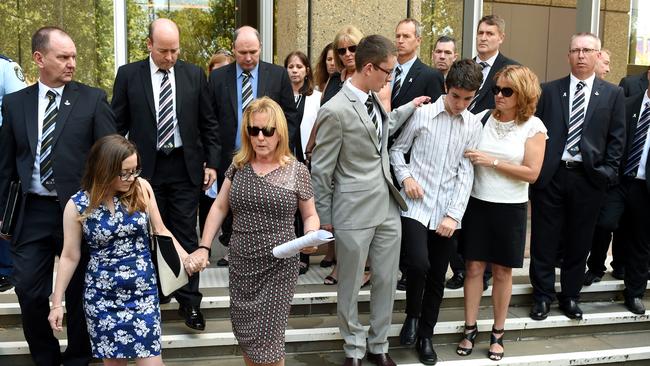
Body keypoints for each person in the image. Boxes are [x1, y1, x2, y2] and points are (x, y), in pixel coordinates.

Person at [311, 34, 430, 366]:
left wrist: (410, 106)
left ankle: (379, 346)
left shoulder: (375, 98)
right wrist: (324, 217)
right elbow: (321, 170)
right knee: (349, 285)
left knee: (387, 279)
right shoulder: (334, 110)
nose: (389, 78)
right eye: (387, 72)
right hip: (351, 211)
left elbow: (383, 129)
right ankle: (353, 349)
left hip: (388, 207)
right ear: (368, 67)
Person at [0, 26, 116, 366]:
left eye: (74, 57)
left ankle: (79, 357)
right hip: (31, 211)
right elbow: (5, 164)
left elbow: (110, 155)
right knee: (28, 290)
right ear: (39, 59)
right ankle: (46, 358)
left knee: (80, 291)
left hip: (79, 211)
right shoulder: (15, 103)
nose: (71, 64)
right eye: (63, 57)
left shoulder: (92, 99)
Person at [48, 135, 198, 365]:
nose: (132, 177)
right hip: (102, 297)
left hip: (143, 292)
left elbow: (161, 230)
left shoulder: (141, 189)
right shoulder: (77, 204)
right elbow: (69, 256)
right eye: (125, 172)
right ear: (104, 170)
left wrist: (187, 258)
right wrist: (57, 303)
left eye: (135, 170)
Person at [111, 18, 221, 331]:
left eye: (174, 50)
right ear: (149, 45)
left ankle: (190, 302)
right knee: (150, 235)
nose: (169, 57)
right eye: (163, 51)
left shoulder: (193, 74)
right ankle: (157, 293)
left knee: (186, 233)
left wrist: (212, 163)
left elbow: (208, 123)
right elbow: (117, 125)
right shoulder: (129, 75)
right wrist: (116, 169)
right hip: (145, 170)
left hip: (185, 167)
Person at [195, 97, 320, 366]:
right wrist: (204, 247)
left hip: (279, 265)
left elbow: (310, 215)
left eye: (267, 131)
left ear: (280, 133)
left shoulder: (297, 170)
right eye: (254, 130)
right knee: (247, 337)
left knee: (269, 340)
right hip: (242, 264)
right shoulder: (238, 167)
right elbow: (218, 208)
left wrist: (311, 237)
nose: (260, 137)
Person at [391, 59, 483, 365]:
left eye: (468, 99)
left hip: (446, 211)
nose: (460, 104)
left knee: (437, 277)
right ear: (447, 88)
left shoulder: (472, 125)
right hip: (416, 206)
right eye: (456, 96)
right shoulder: (423, 114)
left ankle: (425, 335)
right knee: (417, 264)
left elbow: (466, 173)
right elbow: (396, 151)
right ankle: (412, 315)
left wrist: (454, 215)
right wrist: (406, 178)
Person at [529, 32, 626, 321]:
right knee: (544, 240)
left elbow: (617, 139)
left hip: (589, 178)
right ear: (568, 55)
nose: (581, 56)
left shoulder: (613, 94)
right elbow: (536, 133)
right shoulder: (549, 90)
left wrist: (607, 173)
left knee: (579, 240)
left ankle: (570, 296)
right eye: (575, 50)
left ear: (598, 56)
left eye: (587, 50)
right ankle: (542, 296)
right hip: (553, 176)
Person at [458, 65, 546, 361]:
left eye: (507, 91)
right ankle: (469, 328)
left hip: (510, 208)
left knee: (502, 271)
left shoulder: (534, 127)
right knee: (472, 268)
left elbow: (532, 173)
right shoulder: (481, 118)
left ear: (523, 94)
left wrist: (492, 161)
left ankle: (498, 332)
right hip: (478, 203)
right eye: (496, 89)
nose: (499, 95)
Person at [208, 26, 298, 259]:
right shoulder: (218, 77)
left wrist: (279, 149)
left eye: (253, 52)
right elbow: (210, 120)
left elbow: (290, 118)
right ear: (233, 49)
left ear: (260, 48)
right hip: (232, 156)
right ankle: (235, 251)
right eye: (242, 52)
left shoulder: (277, 75)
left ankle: (268, 252)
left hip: (270, 158)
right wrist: (211, 159)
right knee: (231, 208)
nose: (248, 58)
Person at [390, 18, 445, 291]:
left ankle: (408, 270)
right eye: (398, 35)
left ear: (418, 40)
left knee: (408, 216)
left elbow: (437, 118)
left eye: (406, 36)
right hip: (383, 156)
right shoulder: (386, 72)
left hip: (412, 159)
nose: (400, 40)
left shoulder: (430, 75)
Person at [285, 50, 322, 275]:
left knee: (306, 210)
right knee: (290, 210)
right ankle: (290, 254)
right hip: (286, 159)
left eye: (299, 66)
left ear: (307, 70)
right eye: (291, 67)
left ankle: (304, 256)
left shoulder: (316, 97)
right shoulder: (281, 95)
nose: (295, 71)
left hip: (308, 161)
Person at [202, 49, 234, 268]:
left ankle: (231, 248)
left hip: (233, 155)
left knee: (232, 205)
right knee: (208, 205)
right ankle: (205, 246)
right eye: (217, 69)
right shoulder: (206, 89)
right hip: (211, 157)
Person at [0, 53, 27, 292]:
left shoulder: (6, 67)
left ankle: (5, 269)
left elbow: (20, 105)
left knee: (4, 203)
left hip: (1, 142)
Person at [469, 15, 520, 114]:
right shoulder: (463, 67)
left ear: (501, 38)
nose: (483, 38)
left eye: (489, 34)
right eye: (480, 33)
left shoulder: (514, 70)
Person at [320, 25, 365, 106]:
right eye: (342, 51)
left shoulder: (371, 77)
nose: (347, 54)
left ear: (362, 48)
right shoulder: (334, 78)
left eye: (352, 49)